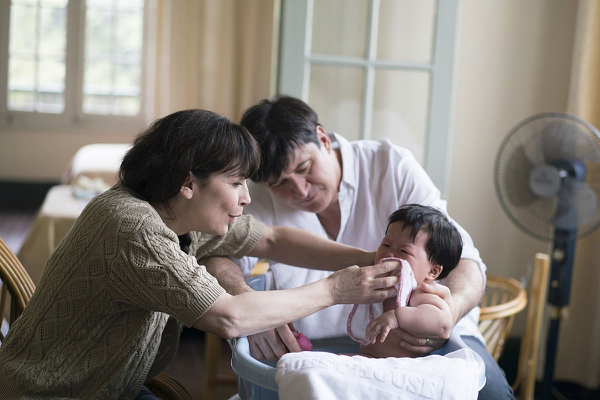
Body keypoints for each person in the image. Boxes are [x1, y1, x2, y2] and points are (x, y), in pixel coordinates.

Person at [0, 109, 402, 400]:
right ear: (188, 182)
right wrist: (335, 290)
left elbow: (274, 239)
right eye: (237, 182)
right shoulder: (133, 227)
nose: (246, 198)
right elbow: (228, 317)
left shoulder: (177, 215)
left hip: (109, 386)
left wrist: (371, 259)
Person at [204, 95, 514, 399]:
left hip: (427, 339)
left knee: (492, 392)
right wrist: (252, 308)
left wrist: (447, 315)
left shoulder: (391, 166)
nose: (300, 190)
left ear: (323, 139)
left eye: (304, 168)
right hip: (317, 345)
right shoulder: (258, 196)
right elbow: (218, 255)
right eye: (281, 184)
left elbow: (465, 261)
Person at [356, 204, 463, 359]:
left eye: (404, 251)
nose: (389, 254)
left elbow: (443, 321)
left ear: (432, 272)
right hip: (368, 358)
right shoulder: (377, 284)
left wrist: (396, 317)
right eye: (386, 245)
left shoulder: (418, 292)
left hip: (402, 365)